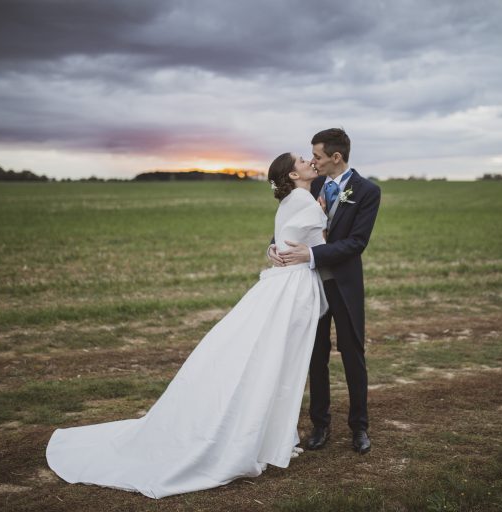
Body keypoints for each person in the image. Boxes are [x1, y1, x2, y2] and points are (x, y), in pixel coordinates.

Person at [46, 153, 328, 499]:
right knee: (277, 363)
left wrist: (277, 248)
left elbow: (289, 240)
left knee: (265, 359)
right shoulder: (304, 199)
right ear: (292, 173)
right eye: (303, 159)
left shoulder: (290, 199)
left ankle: (265, 435)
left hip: (284, 283)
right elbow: (320, 237)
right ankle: (262, 437)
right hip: (292, 288)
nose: (308, 161)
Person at [269, 128, 380, 455]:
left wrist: (313, 254)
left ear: (336, 157)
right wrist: (271, 249)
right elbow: (284, 228)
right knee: (315, 357)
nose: (312, 161)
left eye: (316, 156)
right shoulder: (309, 185)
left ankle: (359, 427)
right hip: (309, 286)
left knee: (352, 355)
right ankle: (320, 425)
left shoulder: (367, 191)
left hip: (343, 286)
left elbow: (357, 243)